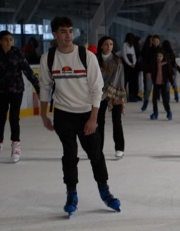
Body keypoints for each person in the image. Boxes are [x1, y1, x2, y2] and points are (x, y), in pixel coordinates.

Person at [38, 16, 121, 216]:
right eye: (63, 31)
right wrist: (43, 114)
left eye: (70, 30)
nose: (68, 35)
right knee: (69, 155)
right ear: (55, 34)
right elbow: (45, 87)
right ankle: (71, 194)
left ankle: (105, 191)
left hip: (85, 114)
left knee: (95, 154)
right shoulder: (48, 58)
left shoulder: (86, 56)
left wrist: (93, 118)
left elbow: (97, 89)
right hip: (63, 115)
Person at [0, 30, 39, 162]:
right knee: (0, 119)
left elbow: (27, 71)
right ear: (0, 41)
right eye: (6, 40)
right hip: (2, 90)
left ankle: (16, 145)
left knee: (14, 118)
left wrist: (38, 86)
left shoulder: (17, 53)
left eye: (11, 39)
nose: (9, 42)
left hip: (17, 90)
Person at [95, 37, 127, 160]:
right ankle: (98, 148)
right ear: (101, 46)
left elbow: (118, 78)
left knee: (117, 121)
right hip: (98, 94)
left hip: (115, 93)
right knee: (99, 122)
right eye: (106, 44)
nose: (109, 47)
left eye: (111, 44)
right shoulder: (95, 60)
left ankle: (119, 148)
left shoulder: (117, 61)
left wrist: (112, 93)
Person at [147, 49, 174, 121]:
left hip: (163, 84)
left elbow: (169, 74)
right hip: (156, 84)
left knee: (165, 100)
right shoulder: (154, 64)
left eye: (160, 56)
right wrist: (148, 72)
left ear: (163, 57)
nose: (159, 57)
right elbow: (149, 69)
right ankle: (155, 112)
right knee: (154, 99)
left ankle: (169, 112)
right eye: (158, 56)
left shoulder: (166, 64)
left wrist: (172, 82)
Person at [139, 34, 161, 111]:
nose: (156, 42)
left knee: (157, 89)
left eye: (157, 41)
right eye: (154, 41)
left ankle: (156, 105)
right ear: (152, 41)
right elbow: (145, 62)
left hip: (158, 73)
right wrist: (147, 72)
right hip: (150, 73)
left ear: (159, 41)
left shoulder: (161, 51)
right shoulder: (148, 50)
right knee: (148, 88)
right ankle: (145, 103)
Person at [122, 34, 141, 101]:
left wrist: (134, 63)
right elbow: (124, 55)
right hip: (126, 64)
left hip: (132, 64)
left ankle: (131, 95)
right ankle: (123, 95)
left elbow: (133, 55)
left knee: (131, 81)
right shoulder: (125, 44)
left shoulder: (132, 45)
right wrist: (129, 64)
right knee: (125, 80)